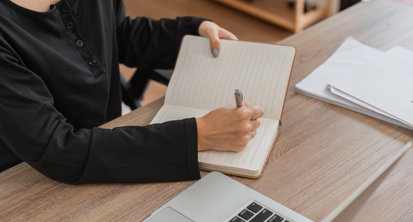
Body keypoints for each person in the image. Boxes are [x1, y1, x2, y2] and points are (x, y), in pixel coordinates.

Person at [0, 0, 264, 183]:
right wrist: (200, 135)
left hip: (113, 146)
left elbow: (118, 33)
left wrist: (189, 34)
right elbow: (59, 150)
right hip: (30, 182)